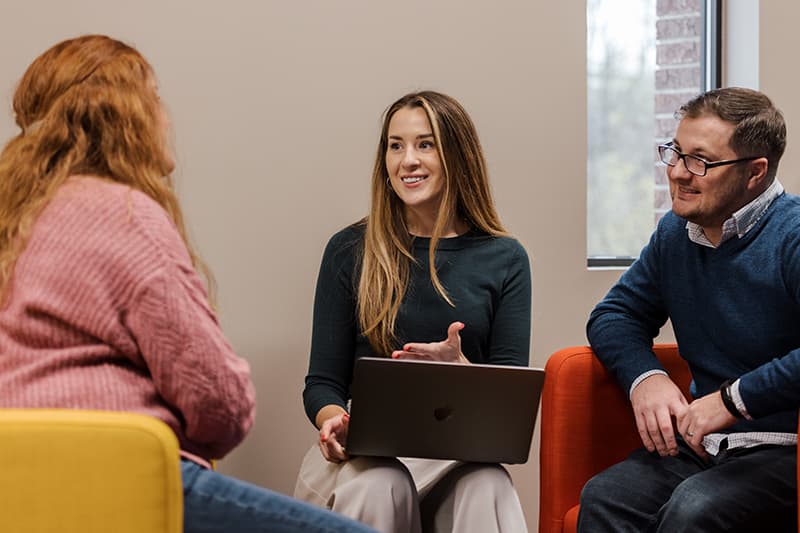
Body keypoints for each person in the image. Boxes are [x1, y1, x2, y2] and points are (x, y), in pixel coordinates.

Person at [0, 34, 376, 533]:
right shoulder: (126, 217)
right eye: (154, 99)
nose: (167, 116)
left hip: (19, 485)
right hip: (125, 482)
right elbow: (221, 404)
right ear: (124, 116)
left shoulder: (13, 218)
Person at [293, 91, 532, 533]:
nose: (408, 160)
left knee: (490, 485)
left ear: (457, 155)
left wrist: (463, 371)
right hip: (366, 459)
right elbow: (322, 383)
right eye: (395, 145)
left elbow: (510, 395)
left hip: (455, 461)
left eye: (426, 144)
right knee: (380, 482)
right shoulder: (349, 250)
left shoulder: (506, 257)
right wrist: (334, 422)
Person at [579, 87, 798, 532]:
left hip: (788, 449)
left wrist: (734, 401)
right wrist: (647, 378)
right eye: (675, 153)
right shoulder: (676, 233)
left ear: (755, 173)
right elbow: (614, 315)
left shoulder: (792, 234)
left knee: (695, 508)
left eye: (700, 161)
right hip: (706, 445)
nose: (678, 172)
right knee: (604, 497)